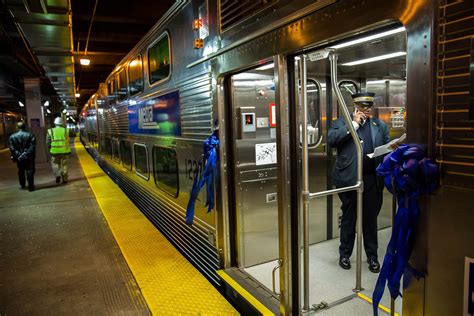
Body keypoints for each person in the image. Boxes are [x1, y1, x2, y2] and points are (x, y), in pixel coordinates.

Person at [328, 92, 390, 273]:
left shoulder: (380, 125)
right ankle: (345, 254)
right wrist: (353, 124)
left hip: (372, 179)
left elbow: (386, 146)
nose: (366, 110)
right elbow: (332, 140)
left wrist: (390, 149)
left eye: (368, 107)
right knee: (349, 218)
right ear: (355, 107)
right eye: (362, 107)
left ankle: (372, 257)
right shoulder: (340, 122)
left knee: (370, 220)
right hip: (349, 179)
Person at [8, 122, 36, 191]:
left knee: (21, 170)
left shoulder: (12, 136)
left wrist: (19, 154)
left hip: (19, 157)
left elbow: (12, 147)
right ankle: (31, 187)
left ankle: (22, 184)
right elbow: (32, 146)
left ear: (17, 127)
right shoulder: (30, 135)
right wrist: (25, 154)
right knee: (30, 170)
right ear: (24, 127)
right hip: (29, 157)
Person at [47, 117, 71, 184]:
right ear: (62, 123)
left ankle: (57, 175)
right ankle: (65, 179)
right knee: (64, 165)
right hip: (65, 151)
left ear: (55, 123)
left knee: (55, 164)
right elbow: (72, 136)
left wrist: (49, 150)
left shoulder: (50, 131)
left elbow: (47, 142)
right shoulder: (66, 130)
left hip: (54, 151)